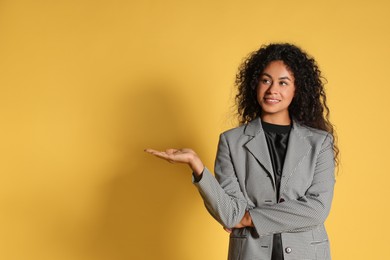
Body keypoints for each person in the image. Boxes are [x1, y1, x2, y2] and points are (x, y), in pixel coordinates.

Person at [145, 43, 338, 260]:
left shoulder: (320, 143)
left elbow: (317, 209)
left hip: (307, 254)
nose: (272, 89)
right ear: (255, 84)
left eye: (283, 82)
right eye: (266, 80)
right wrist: (196, 164)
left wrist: (249, 218)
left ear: (297, 89)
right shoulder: (231, 142)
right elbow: (230, 215)